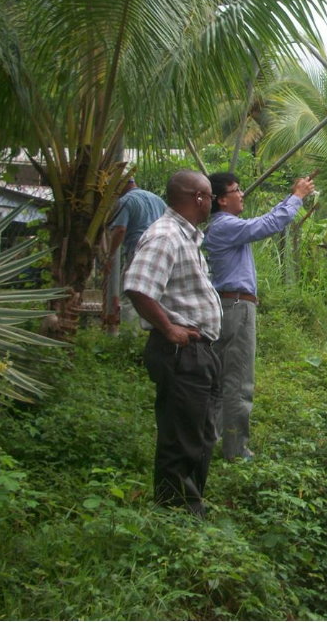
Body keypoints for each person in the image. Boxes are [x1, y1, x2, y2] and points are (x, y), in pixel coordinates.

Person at [124, 170, 223, 518]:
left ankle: (190, 507)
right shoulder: (166, 235)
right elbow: (138, 286)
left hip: (200, 352)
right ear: (197, 198)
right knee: (182, 438)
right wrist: (169, 329)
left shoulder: (187, 237)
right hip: (182, 353)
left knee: (200, 435)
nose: (212, 202)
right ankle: (177, 515)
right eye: (210, 196)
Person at [203, 171, 315, 462]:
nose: (242, 194)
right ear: (221, 200)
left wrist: (291, 197)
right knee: (238, 382)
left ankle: (213, 441)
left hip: (228, 306)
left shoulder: (221, 225)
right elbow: (268, 224)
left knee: (220, 381)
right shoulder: (226, 225)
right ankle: (236, 451)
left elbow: (264, 221)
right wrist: (297, 197)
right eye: (236, 190)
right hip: (236, 307)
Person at [105, 177, 166, 326]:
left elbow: (120, 229)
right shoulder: (157, 199)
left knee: (131, 292)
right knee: (155, 294)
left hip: (139, 253)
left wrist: (109, 255)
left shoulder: (126, 201)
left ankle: (130, 333)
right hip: (161, 253)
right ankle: (154, 330)